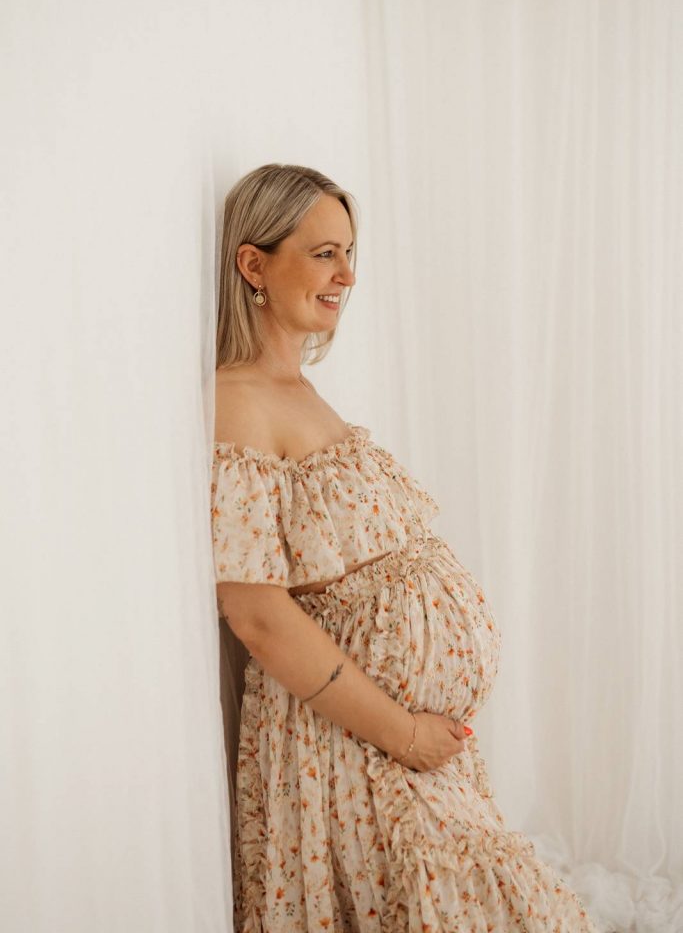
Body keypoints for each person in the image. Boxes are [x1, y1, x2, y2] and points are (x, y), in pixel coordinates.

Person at [211, 163, 599, 932]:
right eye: (323, 253)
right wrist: (405, 733)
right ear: (253, 264)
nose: (346, 274)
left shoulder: (302, 393)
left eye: (349, 253)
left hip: (400, 743)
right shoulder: (236, 400)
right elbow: (254, 613)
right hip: (353, 747)